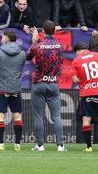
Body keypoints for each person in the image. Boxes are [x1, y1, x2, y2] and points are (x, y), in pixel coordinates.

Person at [27, 20, 65, 152]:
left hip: (38, 83)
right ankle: (60, 145)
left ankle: (40, 145)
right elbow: (60, 63)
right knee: (56, 116)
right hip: (53, 83)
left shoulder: (38, 45)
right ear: (54, 31)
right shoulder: (59, 46)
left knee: (38, 115)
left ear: (43, 31)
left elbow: (27, 57)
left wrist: (34, 41)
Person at [72, 37, 98, 152]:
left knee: (86, 119)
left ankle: (89, 147)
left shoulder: (76, 61)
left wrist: (83, 77)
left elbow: (74, 79)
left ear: (79, 51)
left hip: (86, 93)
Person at [0, 29, 26, 151]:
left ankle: (0, 144)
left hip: (2, 89)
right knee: (17, 116)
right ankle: (17, 145)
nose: (1, 39)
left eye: (2, 37)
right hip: (16, 89)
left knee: (0, 116)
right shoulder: (22, 54)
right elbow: (20, 68)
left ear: (5, 38)